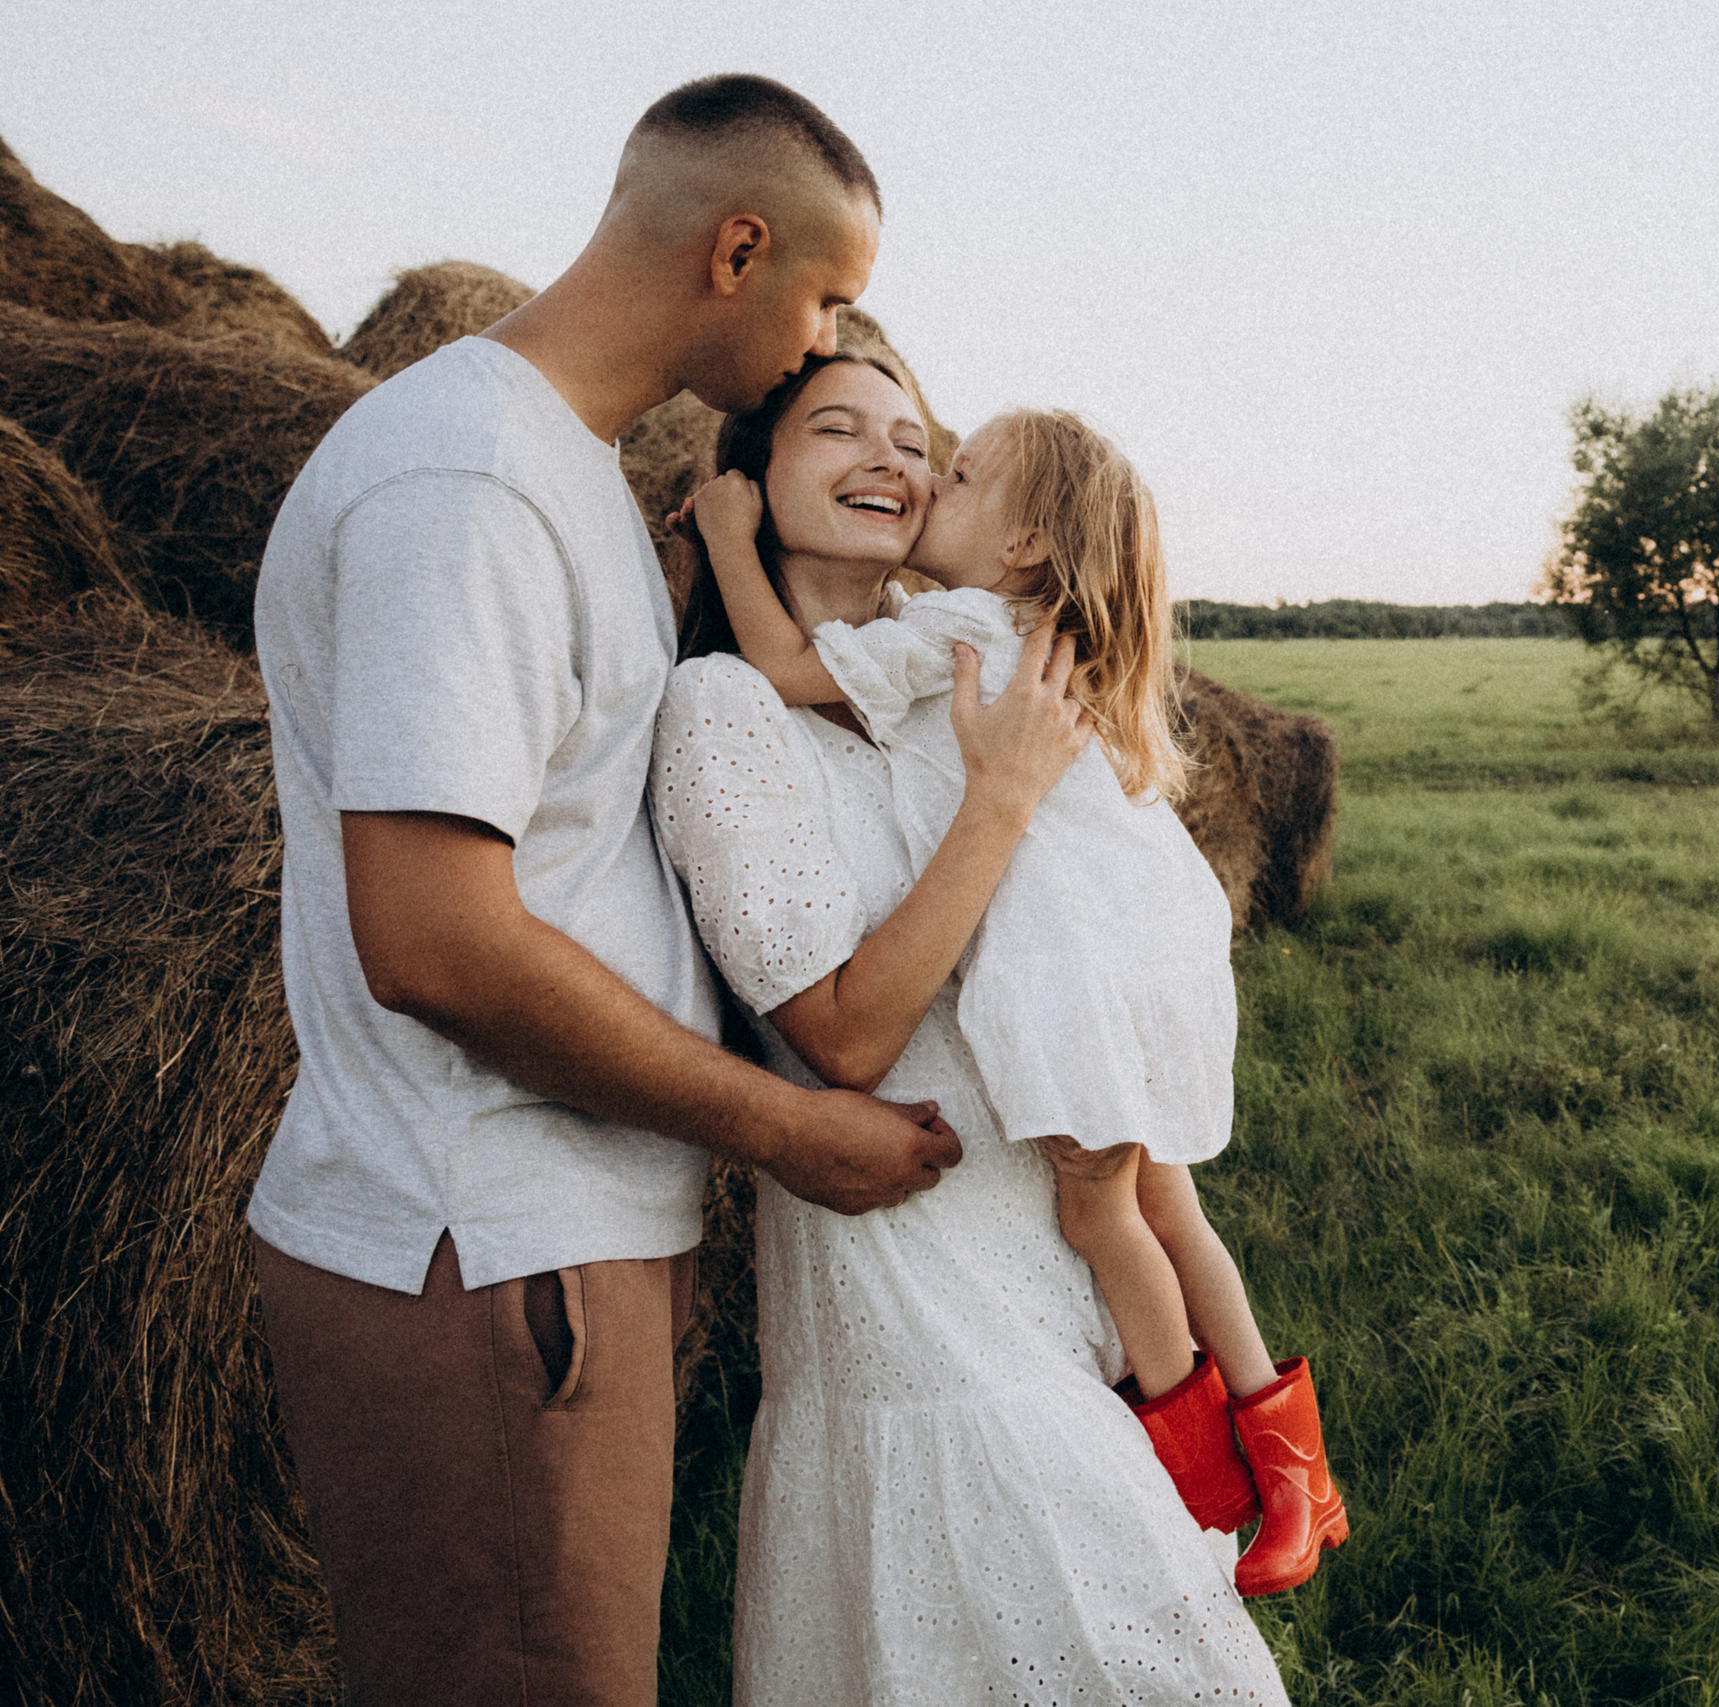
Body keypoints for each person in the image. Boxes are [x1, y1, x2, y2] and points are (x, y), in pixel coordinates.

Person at [247, 77, 1086, 1705]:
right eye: (830, 297)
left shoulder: (554, 470)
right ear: (741, 249)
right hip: (487, 1247)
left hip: (543, 1249)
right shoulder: (469, 486)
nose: (834, 334)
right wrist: (787, 1131)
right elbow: (432, 940)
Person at [651, 353, 1293, 1701]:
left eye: (923, 443)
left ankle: (1247, 1469)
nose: (901, 461)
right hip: (923, 1315)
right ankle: (1261, 1470)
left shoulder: (968, 661)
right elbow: (843, 1038)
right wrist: (1000, 800)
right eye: (839, 429)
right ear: (750, 476)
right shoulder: (732, 705)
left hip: (1057, 1282)